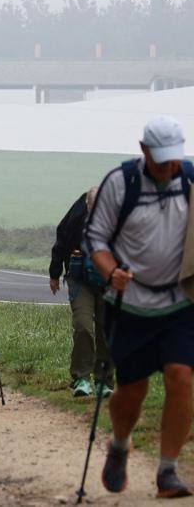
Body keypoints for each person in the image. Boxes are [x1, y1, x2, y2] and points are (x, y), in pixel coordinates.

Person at [87, 115, 194, 498]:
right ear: (144, 150)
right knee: (131, 391)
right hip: (130, 302)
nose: (168, 167)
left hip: (180, 300)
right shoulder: (121, 183)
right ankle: (119, 444)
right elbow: (95, 240)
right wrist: (111, 271)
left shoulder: (190, 179)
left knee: (182, 377)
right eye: (160, 159)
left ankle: (168, 471)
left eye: (173, 159)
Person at [49, 187, 113, 398]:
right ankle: (81, 379)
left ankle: (104, 381)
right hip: (80, 281)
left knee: (106, 331)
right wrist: (54, 274)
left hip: (108, 282)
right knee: (83, 327)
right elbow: (61, 243)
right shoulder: (76, 218)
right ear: (87, 204)